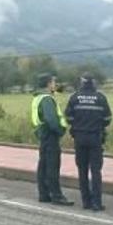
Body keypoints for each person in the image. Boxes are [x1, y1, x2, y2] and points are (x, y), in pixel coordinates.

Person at [65, 72, 112, 211]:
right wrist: (98, 125)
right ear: (93, 83)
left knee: (82, 170)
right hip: (95, 137)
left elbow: (68, 117)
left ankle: (86, 202)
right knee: (96, 171)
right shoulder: (101, 98)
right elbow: (107, 119)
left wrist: (78, 125)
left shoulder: (74, 98)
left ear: (82, 83)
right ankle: (97, 203)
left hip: (79, 138)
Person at [31, 73, 74, 206]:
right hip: (50, 135)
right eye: (53, 82)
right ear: (49, 84)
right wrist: (60, 130)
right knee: (52, 166)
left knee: (43, 165)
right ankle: (56, 195)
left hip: (42, 134)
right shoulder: (47, 99)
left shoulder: (38, 97)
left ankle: (44, 194)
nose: (55, 85)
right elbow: (51, 119)